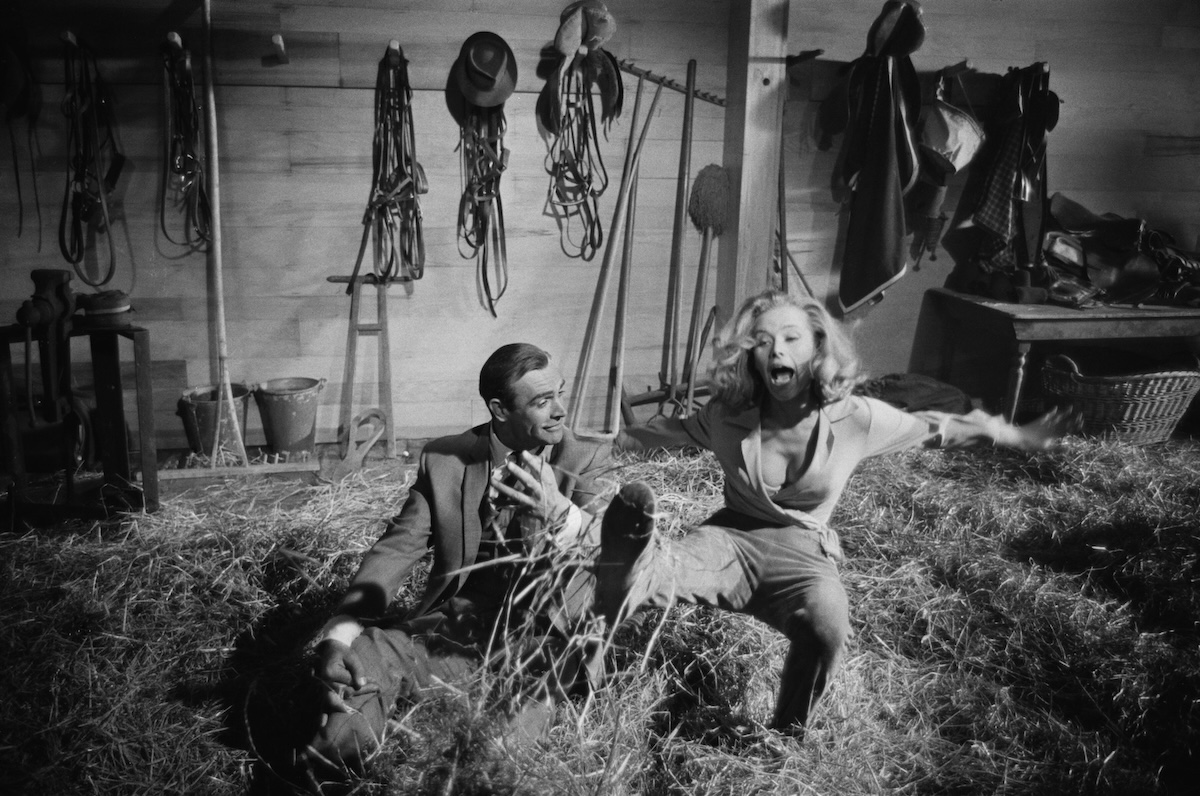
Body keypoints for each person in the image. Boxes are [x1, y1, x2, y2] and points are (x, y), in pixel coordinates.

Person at [599, 289, 1073, 734]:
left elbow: (939, 427)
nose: (776, 351)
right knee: (668, 570)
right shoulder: (727, 415)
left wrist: (1014, 434)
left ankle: (787, 732)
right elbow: (667, 432)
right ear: (751, 356)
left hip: (803, 551)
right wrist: (597, 443)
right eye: (762, 342)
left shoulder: (858, 419)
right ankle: (632, 564)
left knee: (828, 628)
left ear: (816, 350)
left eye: (790, 339)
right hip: (732, 537)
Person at [301, 342, 612, 783]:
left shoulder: (586, 459)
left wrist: (560, 512)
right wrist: (342, 632)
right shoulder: (446, 458)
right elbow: (398, 547)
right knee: (366, 654)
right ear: (500, 410)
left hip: (544, 641)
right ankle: (335, 772)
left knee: (494, 762)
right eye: (543, 402)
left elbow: (613, 544)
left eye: (559, 394)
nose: (561, 410)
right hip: (457, 632)